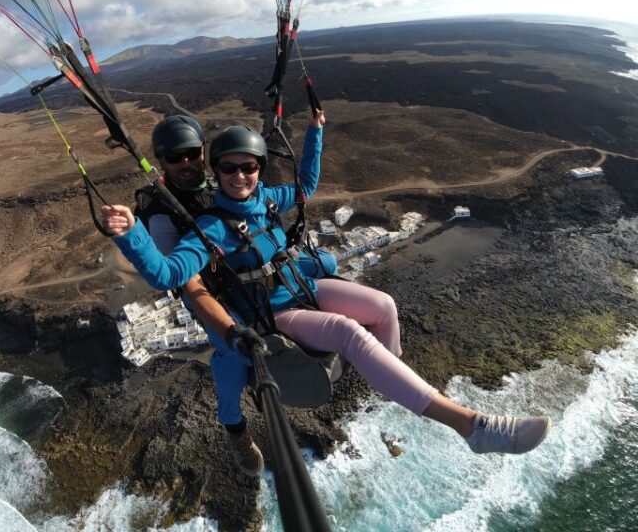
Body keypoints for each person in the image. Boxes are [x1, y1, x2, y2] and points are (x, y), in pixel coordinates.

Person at [102, 110, 551, 467]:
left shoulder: (263, 198)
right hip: (259, 311)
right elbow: (170, 276)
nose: (239, 174)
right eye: (229, 168)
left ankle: (396, 386)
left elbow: (305, 187)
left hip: (300, 287)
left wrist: (315, 133)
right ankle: (472, 427)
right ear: (212, 170)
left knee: (383, 306)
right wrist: (129, 233)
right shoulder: (199, 226)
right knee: (265, 365)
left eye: (248, 167)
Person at [130, 115, 337, 477]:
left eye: (192, 154)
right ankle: (235, 427)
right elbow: (185, 281)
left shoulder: (218, 182)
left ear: (203, 153)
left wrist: (311, 132)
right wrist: (227, 327)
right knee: (232, 357)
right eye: (175, 158)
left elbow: (280, 195)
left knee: (327, 263)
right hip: (212, 294)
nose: (186, 164)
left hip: (247, 276)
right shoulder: (160, 211)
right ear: (161, 161)